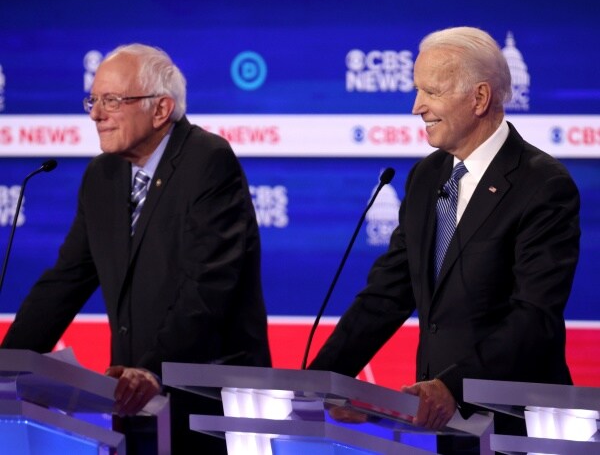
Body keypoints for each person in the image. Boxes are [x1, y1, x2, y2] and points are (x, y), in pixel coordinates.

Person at [309, 27, 580, 449]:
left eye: (431, 92)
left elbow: (534, 317)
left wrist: (452, 385)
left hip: (518, 426)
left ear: (480, 98)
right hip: (447, 428)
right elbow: (388, 293)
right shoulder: (426, 177)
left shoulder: (542, 185)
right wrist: (322, 378)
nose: (417, 107)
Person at [1, 43, 271, 453]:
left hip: (211, 406)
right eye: (93, 100)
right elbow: (65, 281)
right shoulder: (102, 175)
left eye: (111, 101)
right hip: (134, 401)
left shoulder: (207, 161)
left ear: (160, 109)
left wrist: (151, 369)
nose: (95, 114)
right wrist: (8, 365)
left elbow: (208, 286)